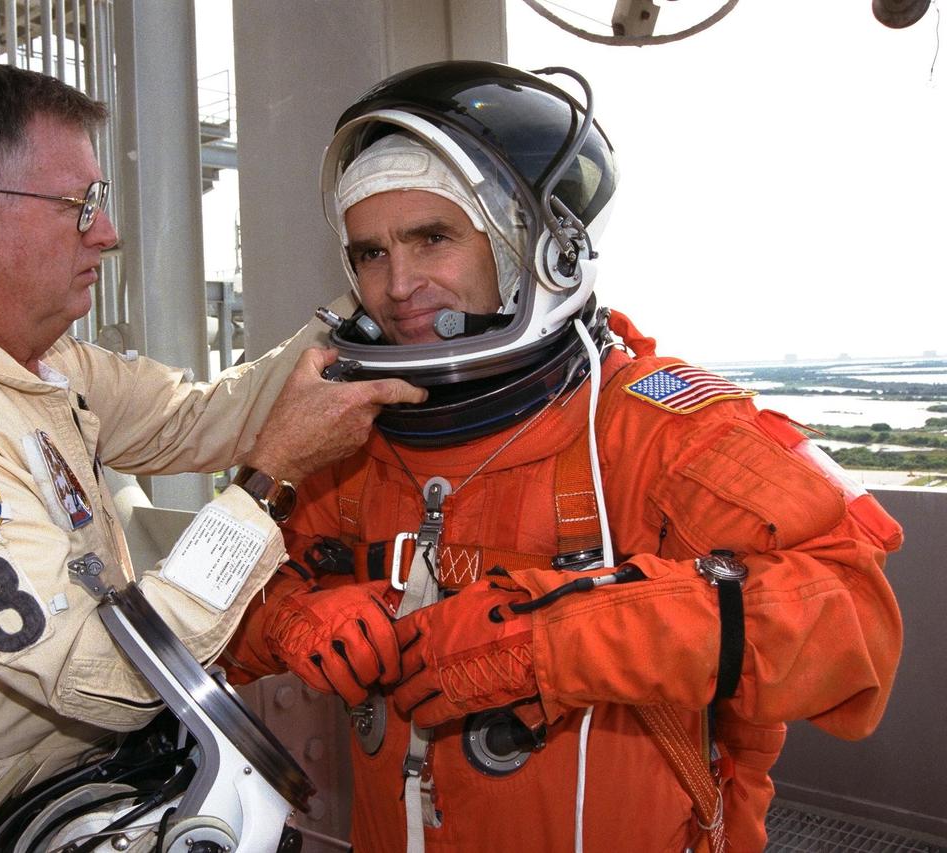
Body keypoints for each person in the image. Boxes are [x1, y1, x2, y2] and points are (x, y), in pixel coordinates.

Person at [225, 60, 904, 853]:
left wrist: (552, 639)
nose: (399, 284)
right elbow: (222, 620)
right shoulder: (349, 440)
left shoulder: (650, 429)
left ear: (535, 248)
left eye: (432, 238)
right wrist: (293, 616)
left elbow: (853, 625)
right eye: (371, 253)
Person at [0, 62, 424, 852]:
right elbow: (107, 676)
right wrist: (268, 481)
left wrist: (365, 306)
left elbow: (200, 417)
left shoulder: (40, 367)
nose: (108, 232)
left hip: (64, 792)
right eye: (80, 203)